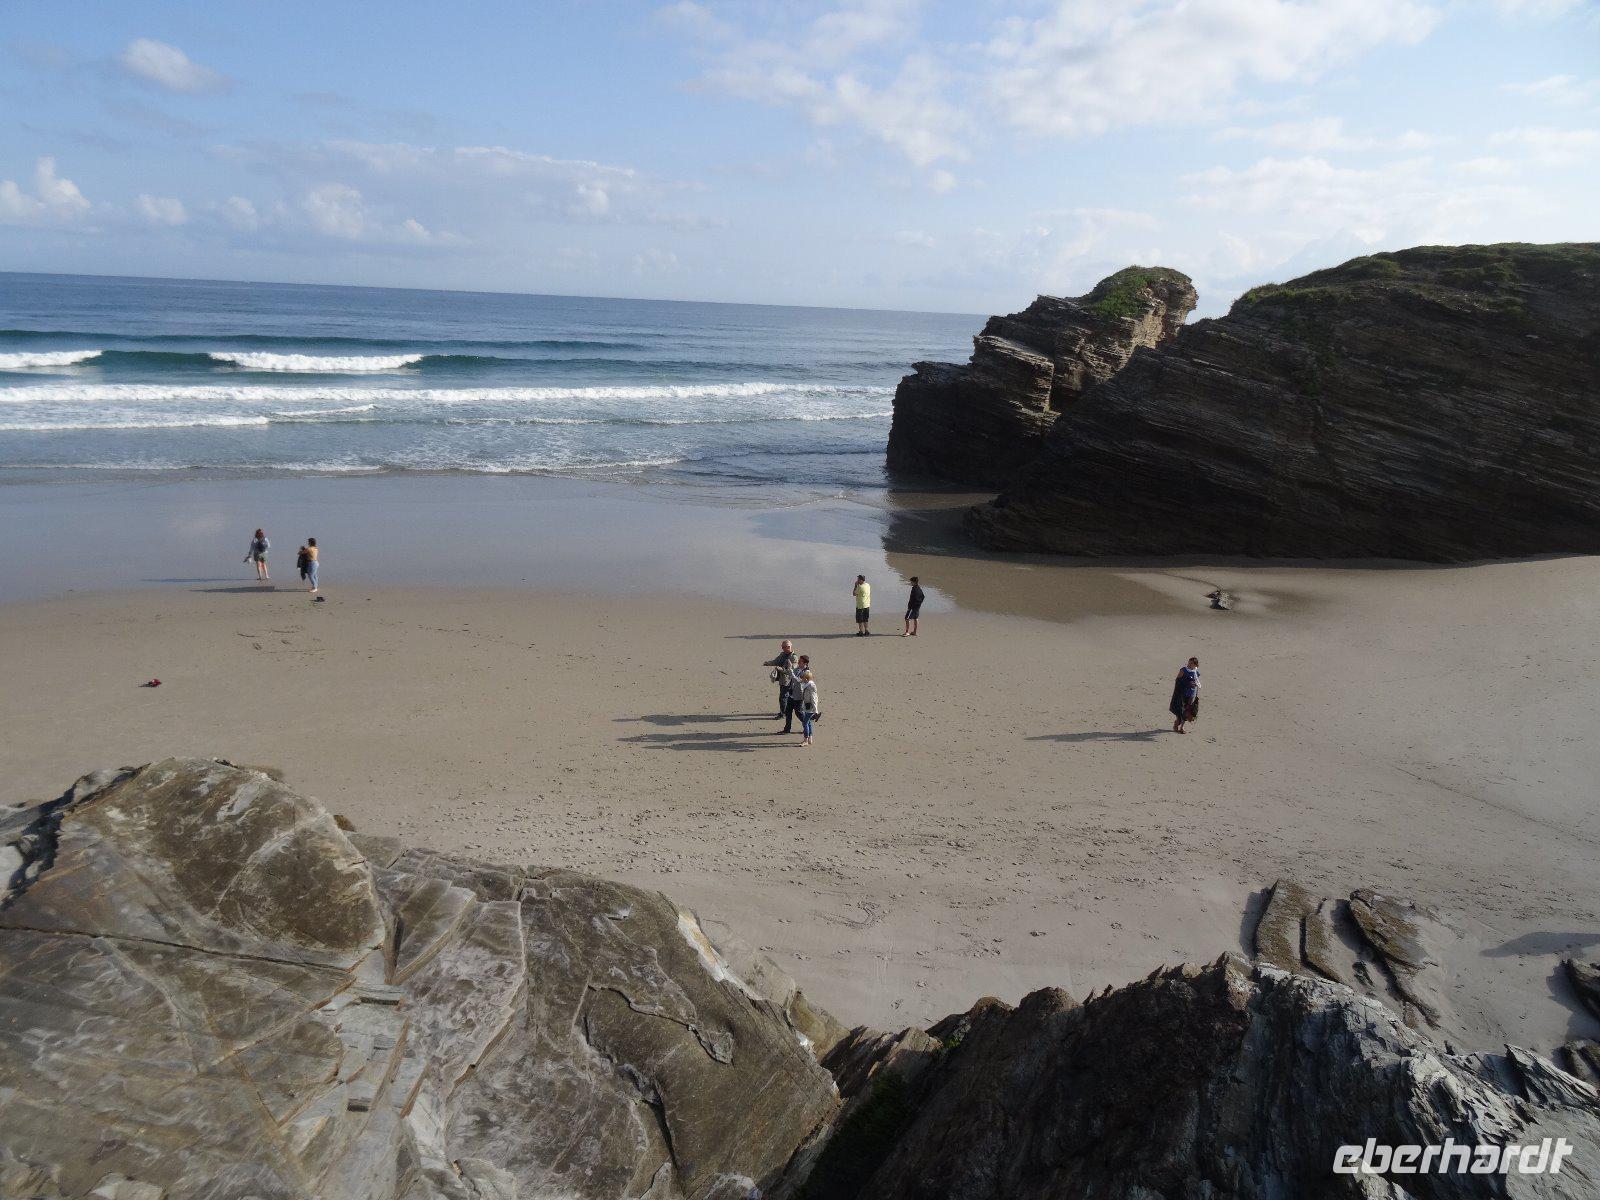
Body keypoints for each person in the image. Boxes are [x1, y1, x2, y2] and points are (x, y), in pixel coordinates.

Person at [764, 639, 797, 720]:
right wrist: (768, 663)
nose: (785, 649)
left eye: (787, 647)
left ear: (790, 647)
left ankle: (783, 713)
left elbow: (792, 670)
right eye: (783, 647)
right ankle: (786, 711)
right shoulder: (782, 654)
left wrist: (781, 669)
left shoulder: (794, 657)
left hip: (789, 681)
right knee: (790, 697)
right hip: (783, 680)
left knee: (783, 697)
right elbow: (776, 661)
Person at [1170, 656, 1201, 734]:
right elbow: (1177, 680)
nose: (1189, 664)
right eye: (1189, 663)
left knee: (1187, 711)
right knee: (1180, 710)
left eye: (1191, 663)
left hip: (1191, 695)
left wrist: (1195, 685)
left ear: (1195, 665)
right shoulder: (1183, 670)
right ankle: (1177, 723)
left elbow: (1197, 682)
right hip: (1182, 694)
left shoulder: (1196, 672)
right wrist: (1187, 683)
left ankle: (1182, 727)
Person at [783, 654, 811, 733]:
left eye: (800, 661)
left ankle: (808, 725)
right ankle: (787, 729)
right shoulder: (797, 668)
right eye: (799, 660)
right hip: (791, 694)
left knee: (798, 712)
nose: (798, 662)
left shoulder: (807, 672)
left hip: (799, 696)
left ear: (805, 663)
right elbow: (791, 675)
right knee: (788, 712)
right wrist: (789, 668)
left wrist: (791, 669)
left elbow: (797, 680)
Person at [796, 668, 820, 747]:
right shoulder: (807, 684)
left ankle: (805, 740)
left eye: (802, 678)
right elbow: (797, 679)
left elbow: (814, 698)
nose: (801, 679)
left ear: (806, 679)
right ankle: (810, 739)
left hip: (810, 708)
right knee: (808, 722)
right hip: (807, 707)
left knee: (805, 723)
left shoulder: (810, 686)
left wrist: (815, 711)